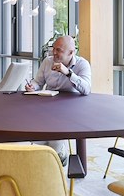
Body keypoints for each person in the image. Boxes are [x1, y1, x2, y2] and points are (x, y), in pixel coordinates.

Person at [25, 35, 92, 165]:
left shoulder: (82, 64)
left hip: (70, 111)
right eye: (53, 48)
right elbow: (38, 81)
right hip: (47, 108)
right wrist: (32, 86)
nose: (54, 52)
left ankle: (57, 157)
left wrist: (68, 73)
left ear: (71, 52)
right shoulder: (47, 61)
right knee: (35, 137)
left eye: (59, 50)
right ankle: (51, 159)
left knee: (52, 139)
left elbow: (87, 89)